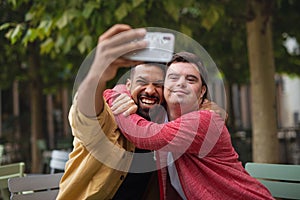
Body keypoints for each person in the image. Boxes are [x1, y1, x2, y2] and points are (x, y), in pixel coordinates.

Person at [108, 51, 275, 199]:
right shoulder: (162, 118)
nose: (181, 83)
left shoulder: (205, 121)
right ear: (165, 87)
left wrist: (116, 97)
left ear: (202, 91)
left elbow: (145, 134)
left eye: (191, 79)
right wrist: (121, 89)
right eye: (173, 77)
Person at [57, 24, 164, 200]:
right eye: (142, 82)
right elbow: (84, 117)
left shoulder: (163, 132)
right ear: (128, 86)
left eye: (158, 85)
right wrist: (97, 73)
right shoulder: (113, 115)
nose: (150, 90)